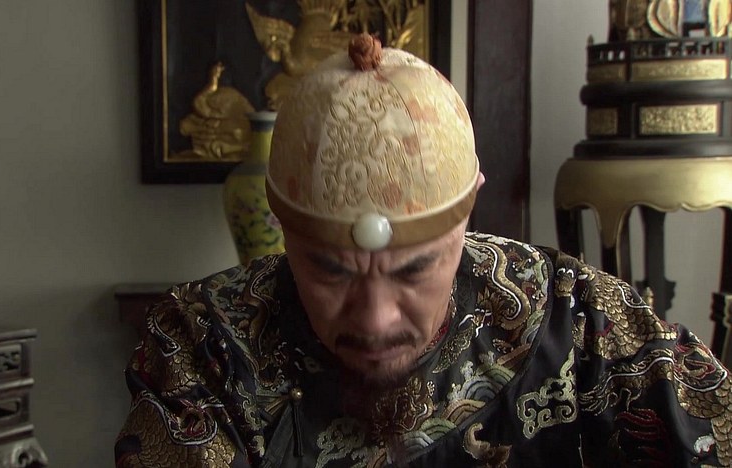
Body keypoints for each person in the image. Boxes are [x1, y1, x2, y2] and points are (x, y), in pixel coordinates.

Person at [115, 34, 732, 467]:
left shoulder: (580, 320)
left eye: (415, 269)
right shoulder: (207, 350)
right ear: (281, 226)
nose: (375, 318)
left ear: (469, 216)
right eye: (330, 270)